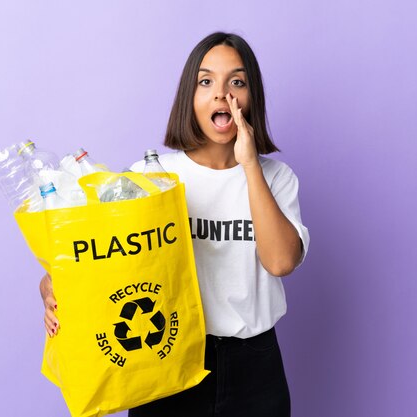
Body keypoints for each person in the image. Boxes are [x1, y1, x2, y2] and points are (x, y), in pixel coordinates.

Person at [39, 32, 310, 417]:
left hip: (254, 364)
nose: (221, 94)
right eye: (206, 82)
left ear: (252, 97)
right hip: (165, 354)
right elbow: (101, 264)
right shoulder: (152, 178)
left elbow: (280, 262)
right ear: (189, 97)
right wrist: (51, 286)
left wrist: (250, 165)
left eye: (237, 82)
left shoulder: (276, 178)